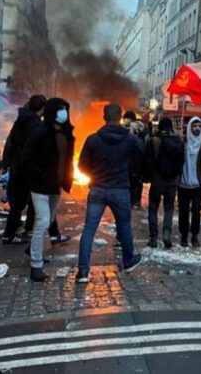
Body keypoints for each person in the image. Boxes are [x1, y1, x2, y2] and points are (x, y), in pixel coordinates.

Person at [76, 104, 144, 282]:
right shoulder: (129, 139)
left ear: (104, 117)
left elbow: (81, 165)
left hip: (97, 189)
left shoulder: (93, 139)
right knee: (124, 226)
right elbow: (143, 152)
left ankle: (83, 271)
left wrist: (95, 175)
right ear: (120, 118)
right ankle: (128, 260)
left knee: (89, 229)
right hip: (120, 189)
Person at [19, 98, 75, 282]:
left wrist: (66, 178)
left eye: (66, 110)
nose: (64, 113)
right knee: (42, 221)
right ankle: (36, 265)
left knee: (49, 219)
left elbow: (67, 160)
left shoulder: (67, 134)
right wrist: (40, 175)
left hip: (56, 186)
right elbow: (27, 158)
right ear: (52, 112)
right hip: (40, 186)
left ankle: (32, 248)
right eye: (60, 110)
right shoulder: (40, 133)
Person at [0, 95, 48, 245]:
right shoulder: (37, 125)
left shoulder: (20, 121)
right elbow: (37, 149)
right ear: (42, 108)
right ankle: (9, 235)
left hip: (16, 167)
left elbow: (10, 143)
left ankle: (19, 229)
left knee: (17, 202)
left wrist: (6, 163)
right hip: (27, 169)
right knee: (20, 203)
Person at [145, 117, 184, 249]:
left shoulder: (155, 140)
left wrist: (148, 176)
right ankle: (167, 233)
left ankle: (153, 237)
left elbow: (148, 162)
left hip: (157, 180)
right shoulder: (179, 140)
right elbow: (181, 162)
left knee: (153, 209)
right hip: (172, 182)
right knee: (169, 208)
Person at [178, 117, 201, 248]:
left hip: (197, 184)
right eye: (194, 126)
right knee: (183, 211)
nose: (196, 128)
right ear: (190, 127)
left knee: (196, 210)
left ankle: (195, 236)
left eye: (199, 126)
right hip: (183, 184)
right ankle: (184, 236)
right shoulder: (183, 141)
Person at [123, 111, 148, 209]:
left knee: (130, 184)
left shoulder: (129, 129)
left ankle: (130, 203)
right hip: (141, 163)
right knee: (138, 183)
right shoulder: (143, 130)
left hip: (131, 162)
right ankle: (136, 202)